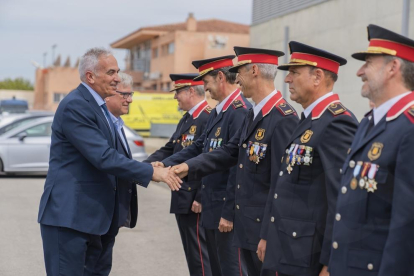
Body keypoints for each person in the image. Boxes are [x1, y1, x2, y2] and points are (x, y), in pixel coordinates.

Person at [37, 48, 181, 276]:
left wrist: (148, 166)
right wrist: (150, 173)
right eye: (111, 72)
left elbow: (114, 157)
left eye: (118, 71)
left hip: (95, 221)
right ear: (90, 76)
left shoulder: (99, 107)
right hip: (70, 219)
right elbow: (103, 157)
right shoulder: (76, 105)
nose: (116, 78)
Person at [172, 47, 299, 276]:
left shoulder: (283, 118)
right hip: (247, 225)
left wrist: (268, 233)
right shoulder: (254, 114)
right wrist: (188, 166)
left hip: (263, 229)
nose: (236, 78)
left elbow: (281, 185)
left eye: (238, 71)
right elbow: (231, 152)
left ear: (254, 70)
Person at [257, 41, 358, 276]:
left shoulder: (336, 122)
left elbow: (341, 199)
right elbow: (283, 184)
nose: (287, 79)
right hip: (285, 246)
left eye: (294, 73)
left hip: (306, 255)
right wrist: (267, 235)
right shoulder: (308, 119)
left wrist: (331, 263)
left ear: (317, 76)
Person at [329, 24, 414, 276]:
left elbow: (407, 226)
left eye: (368, 62)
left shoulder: (408, 128)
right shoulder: (369, 122)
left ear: (392, 68)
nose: (359, 72)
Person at [161, 55, 251, 276]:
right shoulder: (220, 110)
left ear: (220, 77)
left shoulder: (239, 111)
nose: (206, 89)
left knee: (232, 269)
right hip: (213, 207)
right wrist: (165, 164)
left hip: (224, 210)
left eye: (207, 83)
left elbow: (235, 166)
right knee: (216, 268)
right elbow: (199, 146)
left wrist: (229, 212)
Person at [144, 73, 213, 276]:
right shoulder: (188, 118)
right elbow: (170, 149)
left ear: (191, 91)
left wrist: (201, 197)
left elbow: (211, 159)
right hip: (182, 194)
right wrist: (144, 166)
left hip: (195, 199)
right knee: (192, 254)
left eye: (178, 92)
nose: (175, 97)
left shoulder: (208, 117)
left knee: (201, 255)